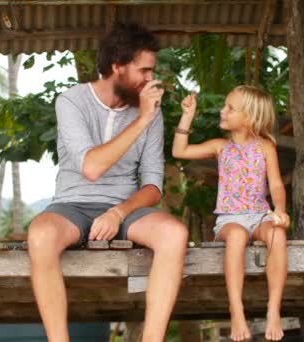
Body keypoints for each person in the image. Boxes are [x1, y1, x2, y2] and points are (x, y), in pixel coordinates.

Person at [27, 22, 188, 342]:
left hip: (126, 207)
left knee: (174, 233)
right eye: (144, 70)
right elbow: (91, 167)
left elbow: (153, 186)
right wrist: (142, 118)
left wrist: (118, 212)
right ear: (117, 67)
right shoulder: (71, 101)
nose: (150, 79)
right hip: (72, 204)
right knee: (41, 234)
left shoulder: (151, 112)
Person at [172, 85, 289, 341]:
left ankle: (273, 309)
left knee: (277, 237)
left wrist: (279, 209)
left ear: (249, 118)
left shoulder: (266, 147)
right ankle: (236, 310)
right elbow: (179, 151)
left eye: (230, 108)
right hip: (229, 219)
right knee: (236, 237)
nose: (222, 111)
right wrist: (187, 116)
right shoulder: (219, 147)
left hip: (259, 215)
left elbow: (276, 184)